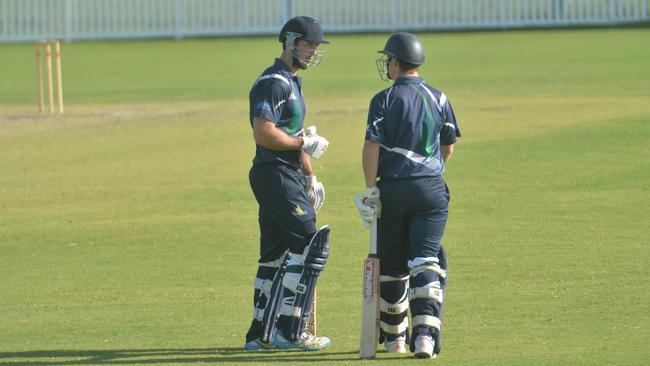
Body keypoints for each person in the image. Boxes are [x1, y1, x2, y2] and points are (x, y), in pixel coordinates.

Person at [355, 32, 461, 359]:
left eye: (389, 59)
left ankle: (395, 338)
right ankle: (426, 337)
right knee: (425, 260)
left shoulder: (383, 99)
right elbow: (448, 147)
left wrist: (371, 187)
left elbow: (371, 147)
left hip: (393, 188)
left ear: (398, 62)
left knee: (393, 265)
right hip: (430, 189)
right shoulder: (439, 97)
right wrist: (428, 170)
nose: (387, 64)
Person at [243, 16, 332, 352]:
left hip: (285, 174)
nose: (312, 52)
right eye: (308, 45)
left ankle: (258, 335)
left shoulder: (292, 82)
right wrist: (302, 146)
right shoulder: (273, 82)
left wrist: (310, 176)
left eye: (315, 47)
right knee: (311, 245)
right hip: (275, 173)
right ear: (290, 41)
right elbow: (264, 133)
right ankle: (290, 331)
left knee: (274, 255)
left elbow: (294, 134)